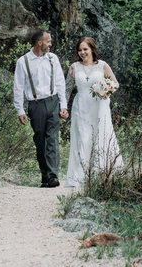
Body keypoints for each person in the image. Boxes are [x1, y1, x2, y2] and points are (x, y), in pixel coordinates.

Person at [65, 37, 123, 188]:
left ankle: (102, 173)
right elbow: (66, 90)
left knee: (100, 136)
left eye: (85, 49)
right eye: (80, 50)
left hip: (99, 106)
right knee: (82, 137)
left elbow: (115, 83)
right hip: (81, 106)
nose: (82, 52)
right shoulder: (74, 67)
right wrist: (63, 107)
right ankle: (81, 175)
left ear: (92, 49)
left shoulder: (102, 65)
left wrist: (106, 89)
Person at [13, 30, 68, 188]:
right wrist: (20, 110)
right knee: (40, 141)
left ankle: (52, 176)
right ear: (39, 43)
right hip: (35, 104)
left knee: (52, 139)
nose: (50, 44)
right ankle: (45, 176)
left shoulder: (53, 59)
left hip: (53, 101)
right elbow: (18, 88)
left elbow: (60, 83)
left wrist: (63, 106)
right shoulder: (23, 62)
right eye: (48, 41)